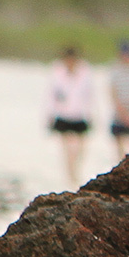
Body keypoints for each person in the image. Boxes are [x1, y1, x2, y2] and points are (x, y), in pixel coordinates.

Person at [45, 46, 94, 187]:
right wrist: (50, 115)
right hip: (63, 114)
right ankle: (71, 177)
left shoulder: (85, 71)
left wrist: (91, 115)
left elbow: (90, 95)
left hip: (80, 114)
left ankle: (75, 172)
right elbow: (51, 96)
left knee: (80, 148)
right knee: (67, 149)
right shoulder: (57, 71)